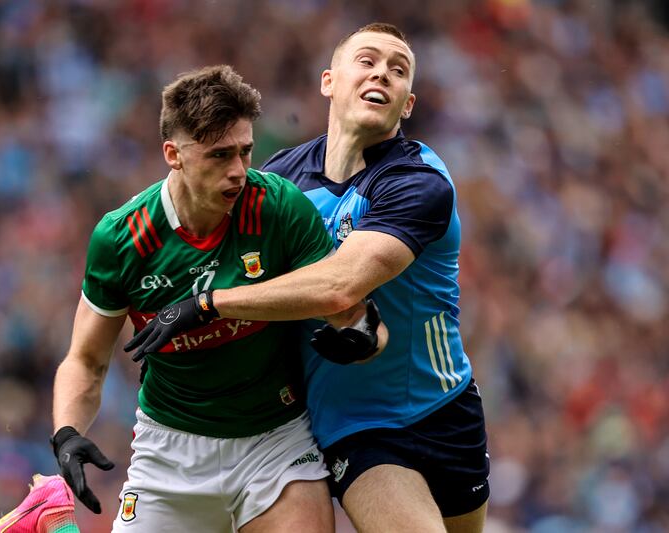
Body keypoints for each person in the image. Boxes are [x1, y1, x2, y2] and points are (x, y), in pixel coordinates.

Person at [129, 23, 490, 533]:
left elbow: (340, 286)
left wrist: (208, 305)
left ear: (408, 104)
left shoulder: (419, 182)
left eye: (399, 69)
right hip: (355, 426)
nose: (382, 73)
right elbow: (206, 246)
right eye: (367, 60)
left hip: (446, 409)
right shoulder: (279, 183)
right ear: (329, 81)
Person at [50, 65, 340, 532]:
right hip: (169, 454)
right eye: (219, 155)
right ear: (174, 154)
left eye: (246, 152)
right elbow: (86, 361)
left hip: (277, 443)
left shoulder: (278, 206)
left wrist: (214, 303)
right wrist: (67, 433)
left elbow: (333, 292)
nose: (239, 171)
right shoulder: (121, 237)